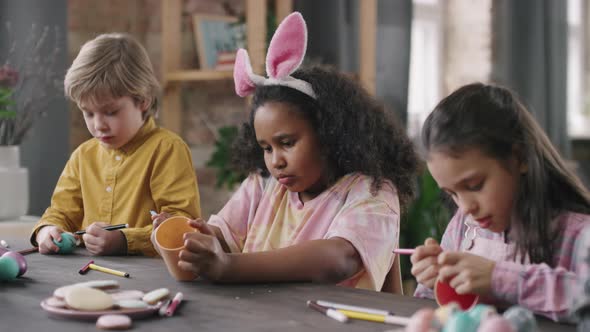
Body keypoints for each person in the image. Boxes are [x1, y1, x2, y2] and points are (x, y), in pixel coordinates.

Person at [152, 12, 420, 291]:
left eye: (287, 143)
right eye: (266, 148)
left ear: (328, 133)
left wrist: (229, 266)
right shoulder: (264, 185)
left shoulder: (372, 193)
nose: (275, 161)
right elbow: (223, 236)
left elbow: (339, 258)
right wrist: (192, 239)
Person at [411, 82, 590, 321]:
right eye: (452, 194)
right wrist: (436, 282)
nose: (465, 208)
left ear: (520, 158)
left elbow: (583, 295)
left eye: (474, 185)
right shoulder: (463, 228)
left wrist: (498, 278)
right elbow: (439, 314)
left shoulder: (577, 233)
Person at [31, 33, 201, 256]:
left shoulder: (167, 149)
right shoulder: (83, 155)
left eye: (110, 112)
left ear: (143, 100)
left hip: (150, 278)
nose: (98, 125)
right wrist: (46, 231)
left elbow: (183, 226)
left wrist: (125, 241)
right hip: (88, 274)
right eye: (88, 113)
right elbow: (61, 212)